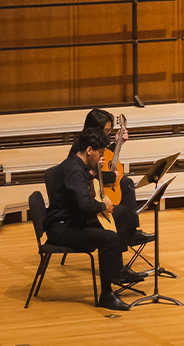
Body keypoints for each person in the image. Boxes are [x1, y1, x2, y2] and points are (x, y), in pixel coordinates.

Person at [44, 128, 145, 311]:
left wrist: (93, 174)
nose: (102, 157)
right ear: (89, 150)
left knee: (122, 213)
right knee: (109, 238)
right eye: (100, 152)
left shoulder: (76, 165)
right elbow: (84, 205)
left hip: (74, 219)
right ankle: (106, 294)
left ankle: (117, 270)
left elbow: (81, 193)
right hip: (62, 228)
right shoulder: (73, 171)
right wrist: (102, 206)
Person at [81, 109, 154, 276]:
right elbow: (89, 173)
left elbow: (104, 159)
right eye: (106, 131)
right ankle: (117, 267)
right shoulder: (81, 148)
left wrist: (117, 143)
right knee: (119, 212)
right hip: (89, 199)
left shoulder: (94, 144)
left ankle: (131, 231)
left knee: (127, 183)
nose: (107, 135)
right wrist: (111, 175)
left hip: (98, 191)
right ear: (95, 129)